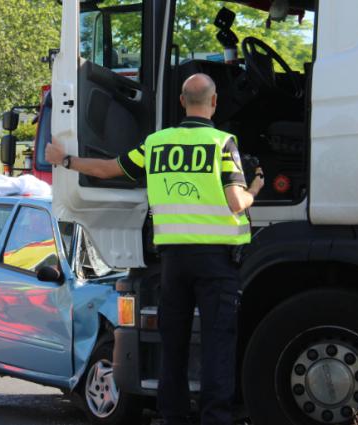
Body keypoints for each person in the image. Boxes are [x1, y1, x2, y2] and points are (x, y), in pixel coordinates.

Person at [45, 73, 264, 425]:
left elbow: (108, 169)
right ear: (214, 102)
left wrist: (65, 159)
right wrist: (254, 188)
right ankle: (215, 418)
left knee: (172, 344)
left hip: (174, 262)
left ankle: (173, 416)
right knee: (217, 344)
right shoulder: (222, 143)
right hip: (216, 261)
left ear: (181, 102)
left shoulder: (156, 144)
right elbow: (236, 202)